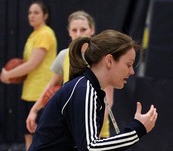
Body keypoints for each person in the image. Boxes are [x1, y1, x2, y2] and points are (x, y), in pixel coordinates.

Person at [28, 29, 158, 150]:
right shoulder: (84, 90)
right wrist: (137, 129)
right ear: (109, 61)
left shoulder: (88, 88)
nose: (132, 72)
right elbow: (91, 148)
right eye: (128, 65)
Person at [26, 10, 114, 139]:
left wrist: (94, 128)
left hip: (96, 131)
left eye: (83, 29)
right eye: (74, 30)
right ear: (69, 32)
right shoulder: (63, 56)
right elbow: (50, 87)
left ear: (92, 30)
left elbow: (108, 100)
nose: (79, 34)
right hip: (69, 129)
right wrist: (34, 110)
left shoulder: (103, 58)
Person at [0, 1, 57, 150]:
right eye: (30, 12)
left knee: (40, 136)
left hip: (41, 92)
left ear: (45, 15)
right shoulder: (34, 35)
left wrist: (8, 74)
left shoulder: (45, 33)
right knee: (28, 135)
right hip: (29, 92)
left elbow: (32, 64)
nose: (31, 15)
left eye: (36, 12)